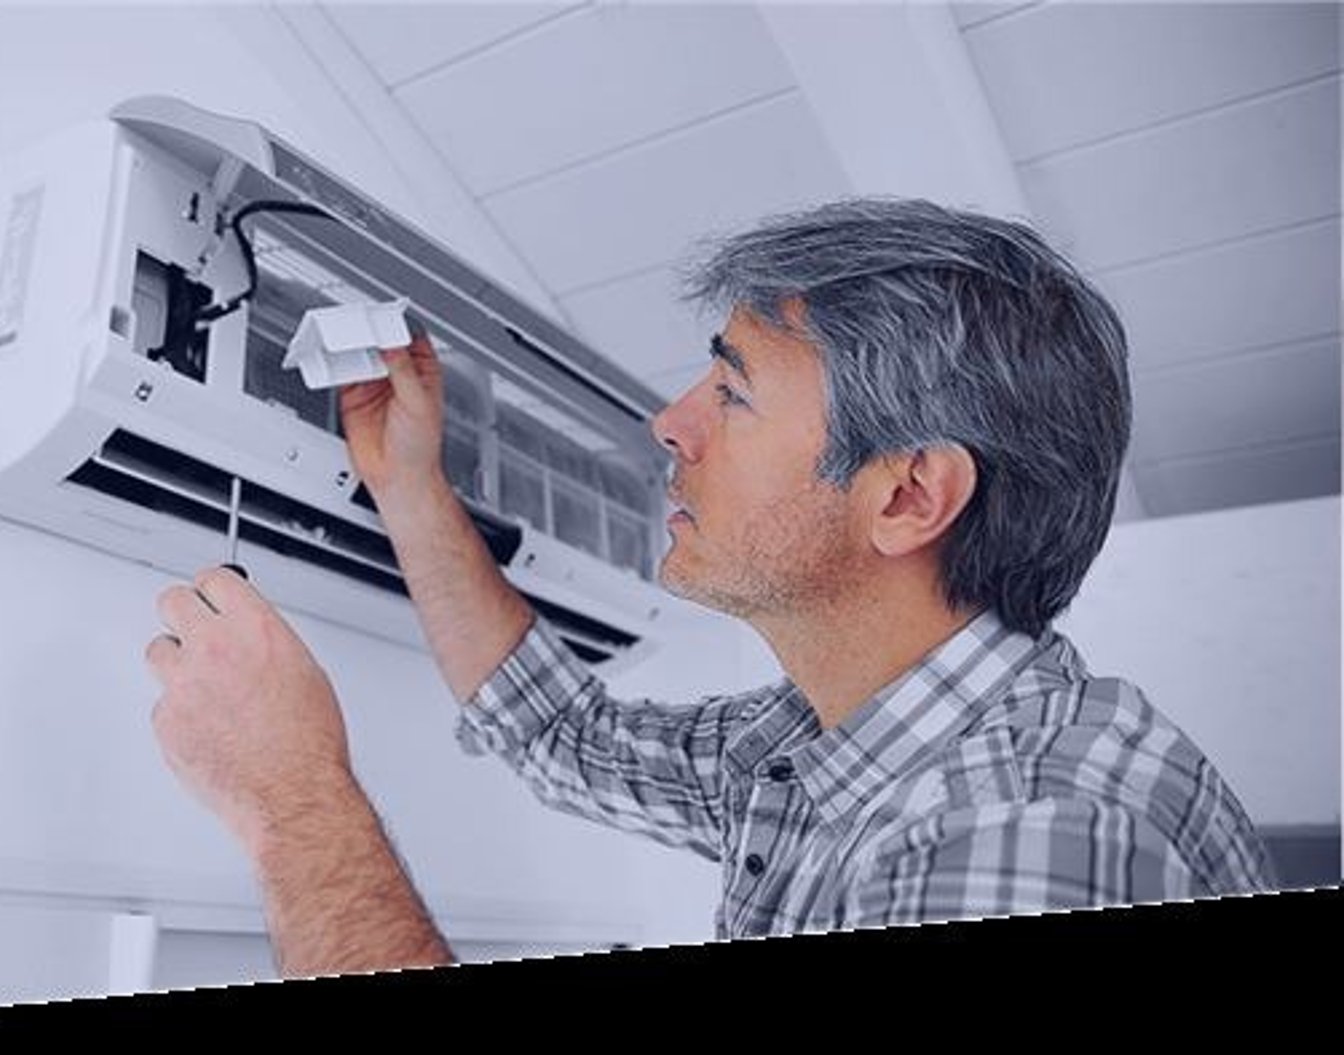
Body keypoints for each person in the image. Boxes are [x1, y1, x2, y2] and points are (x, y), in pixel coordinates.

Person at [141, 198, 1280, 977]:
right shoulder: (820, 738)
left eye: (731, 395)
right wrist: (408, 484)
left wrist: (292, 801)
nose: (670, 422)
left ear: (907, 497)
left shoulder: (1028, 831)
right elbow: (561, 736)